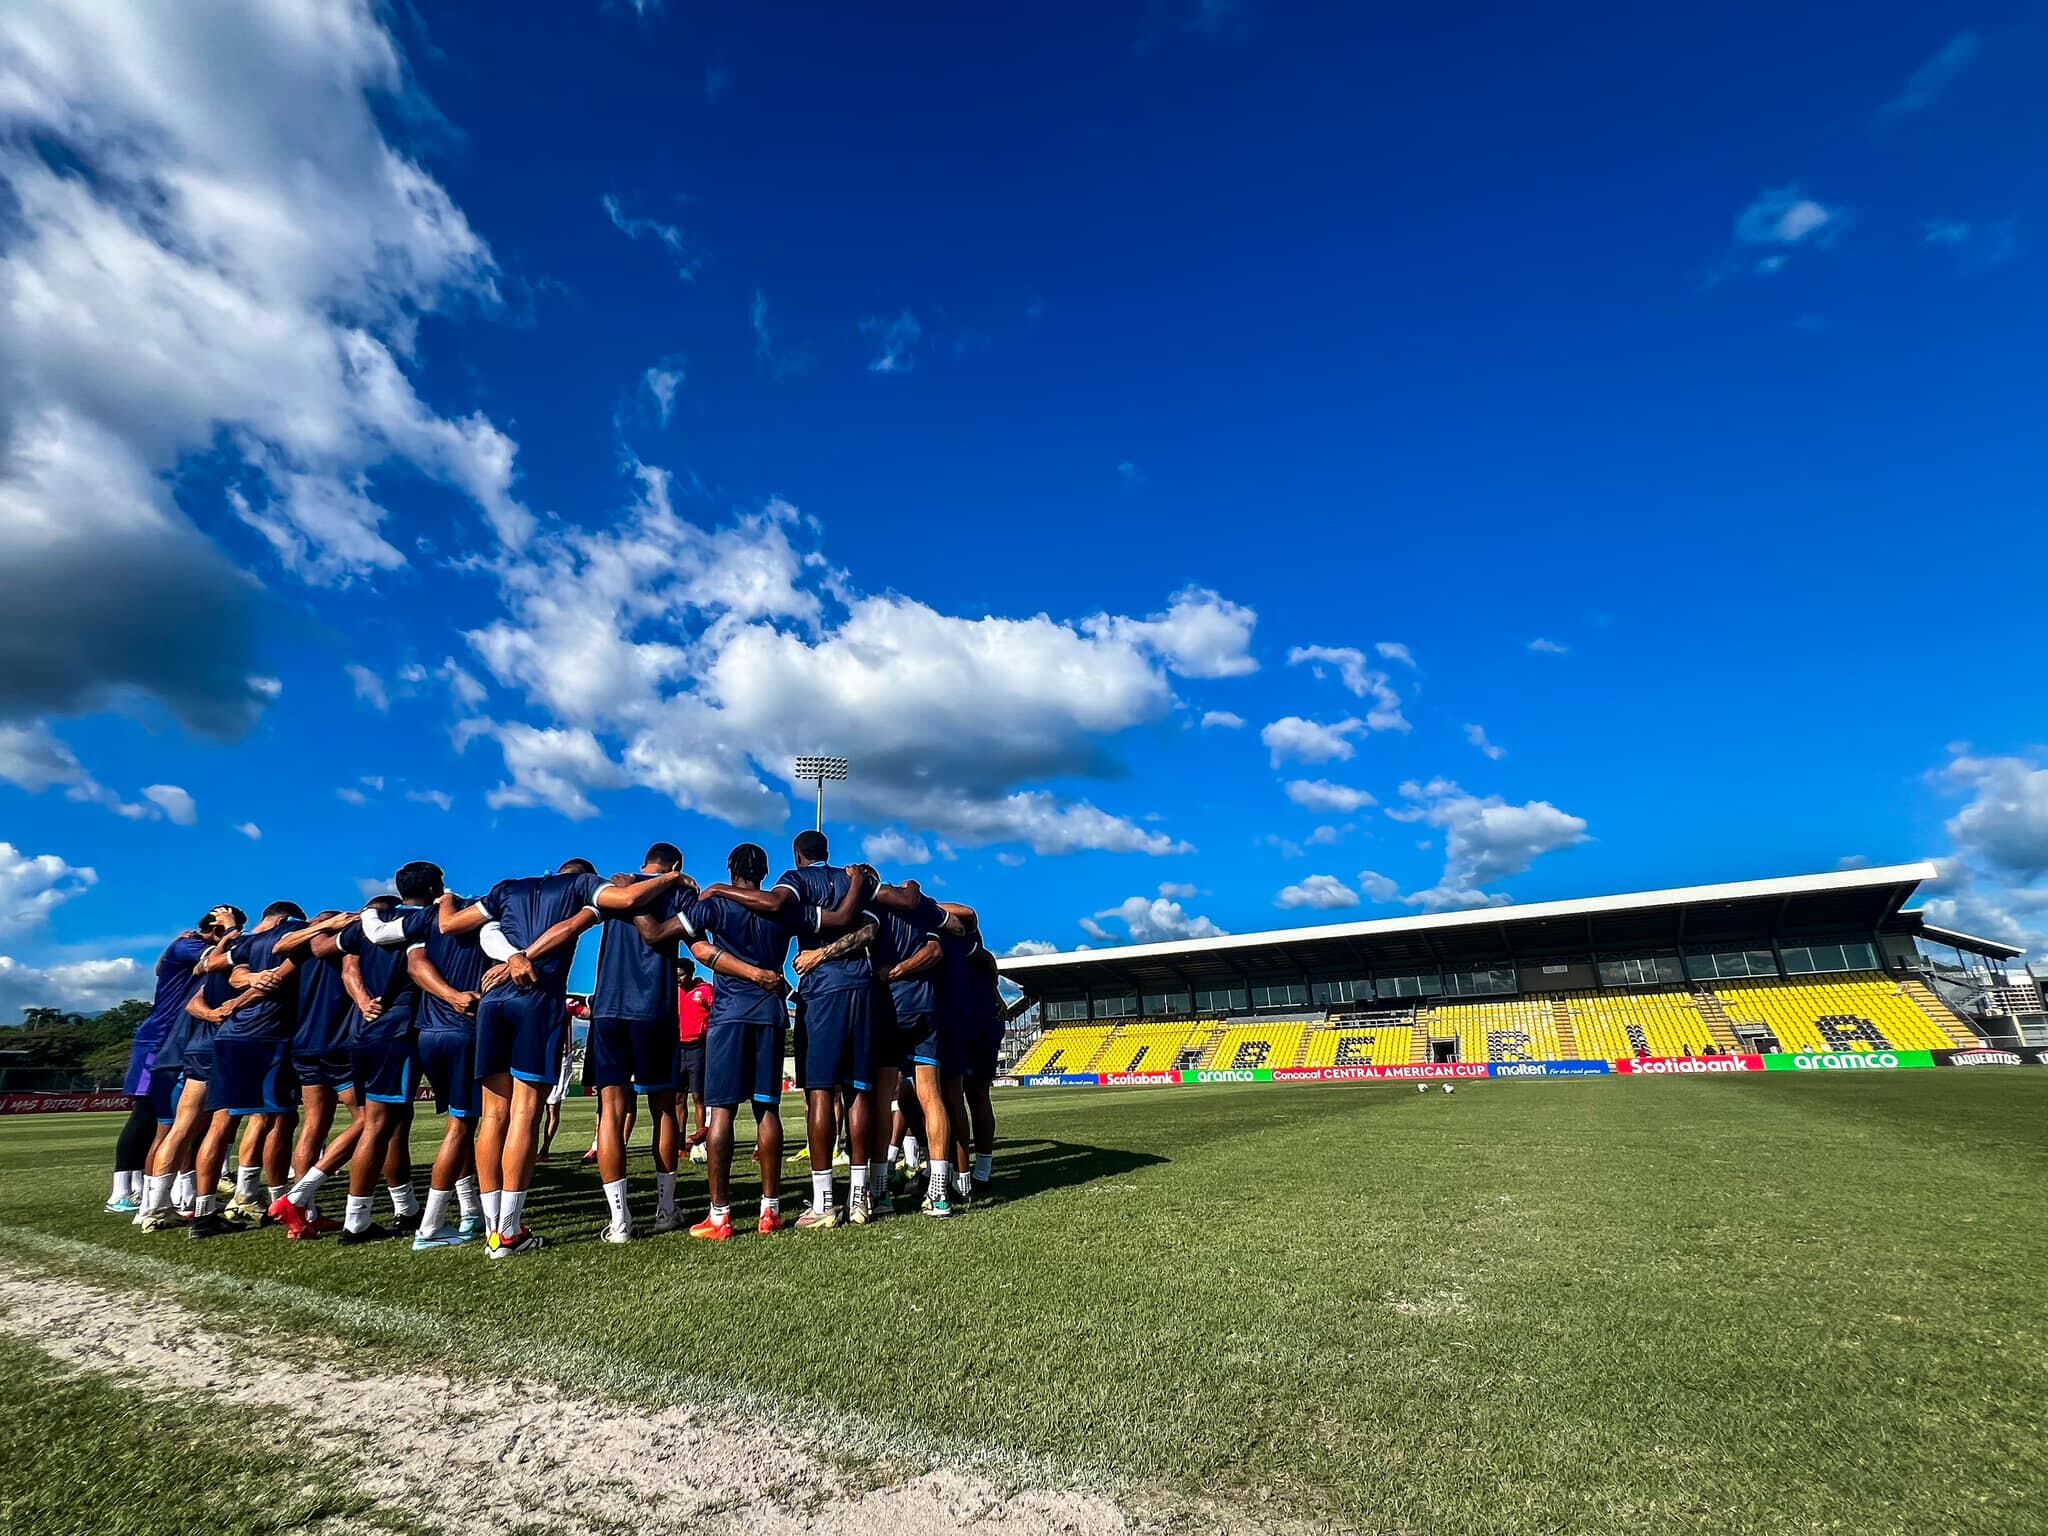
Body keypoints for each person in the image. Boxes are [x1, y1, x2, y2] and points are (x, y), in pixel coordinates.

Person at [439, 859, 689, 1258]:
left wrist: (446, 898)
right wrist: (672, 878)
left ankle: (492, 1230)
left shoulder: (507, 886)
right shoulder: (582, 889)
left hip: (493, 1003)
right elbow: (608, 907)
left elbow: (450, 924)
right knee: (524, 1114)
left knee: (493, 1116)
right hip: (535, 998)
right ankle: (508, 1232)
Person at [698, 830, 872, 1228]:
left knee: (814, 1094)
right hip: (851, 990)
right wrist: (859, 880)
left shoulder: (790, 888)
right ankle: (851, 1198)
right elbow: (858, 923)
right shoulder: (851, 880)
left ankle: (817, 1201)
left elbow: (671, 934)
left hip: (804, 995)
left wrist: (716, 891)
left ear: (797, 857)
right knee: (855, 1091)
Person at [669, 843, 794, 1239]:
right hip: (770, 1013)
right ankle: (769, 1211)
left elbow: (673, 935)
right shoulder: (782, 907)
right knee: (766, 1109)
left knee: (720, 1114)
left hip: (729, 1016)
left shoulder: (715, 905)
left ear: (730, 868)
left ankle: (720, 1216)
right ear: (765, 871)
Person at [587, 842, 699, 1242]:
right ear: (677, 864)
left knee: (611, 1113)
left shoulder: (617, 886)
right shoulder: (680, 891)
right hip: (653, 1008)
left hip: (607, 1008)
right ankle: (666, 1209)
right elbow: (694, 941)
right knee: (665, 1109)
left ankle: (619, 1221)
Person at [108, 908, 235, 1215]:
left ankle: (162, 1188)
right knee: (147, 1113)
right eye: (228, 928)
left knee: (177, 1119)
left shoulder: (184, 945)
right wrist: (230, 932)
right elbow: (223, 957)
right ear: (213, 930)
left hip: (178, 1039)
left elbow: (159, 968)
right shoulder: (188, 946)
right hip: (159, 1039)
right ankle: (121, 1192)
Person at [396, 862, 488, 1250]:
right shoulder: (484, 917)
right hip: (463, 1033)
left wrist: (444, 995)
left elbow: (416, 965)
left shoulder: (423, 921)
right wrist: (457, 997)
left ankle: (469, 1211)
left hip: (428, 1034)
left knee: (460, 1124)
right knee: (461, 1129)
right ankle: (431, 1227)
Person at [856, 867, 957, 1217]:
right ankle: (939, 1192)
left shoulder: (868, 907)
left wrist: (892, 972)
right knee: (932, 1097)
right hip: (925, 1006)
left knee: (884, 1100)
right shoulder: (919, 906)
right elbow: (941, 943)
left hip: (890, 1008)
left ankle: (881, 1192)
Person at [206, 901, 312, 1229]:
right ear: (288, 919)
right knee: (272, 1118)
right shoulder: (294, 932)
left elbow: (224, 969)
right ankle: (259, 1197)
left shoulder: (250, 942)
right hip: (268, 1036)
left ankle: (203, 1210)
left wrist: (248, 979)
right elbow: (277, 977)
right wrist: (258, 981)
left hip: (231, 1034)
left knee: (221, 1123)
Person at [330, 894, 425, 1244]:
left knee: (394, 1123)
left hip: (364, 1031)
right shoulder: (420, 921)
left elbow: (344, 964)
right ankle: (356, 1222)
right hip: (395, 1032)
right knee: (379, 1126)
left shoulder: (360, 929)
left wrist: (362, 1001)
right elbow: (419, 967)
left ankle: (406, 1207)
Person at [677, 960, 712, 1164]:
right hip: (677, 1049)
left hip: (698, 1049)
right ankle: (680, 1144)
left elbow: (717, 1013)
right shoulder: (674, 992)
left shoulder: (705, 990)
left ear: (690, 973)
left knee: (699, 1097)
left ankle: (700, 1145)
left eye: (681, 975)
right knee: (678, 1099)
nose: (679, 979)